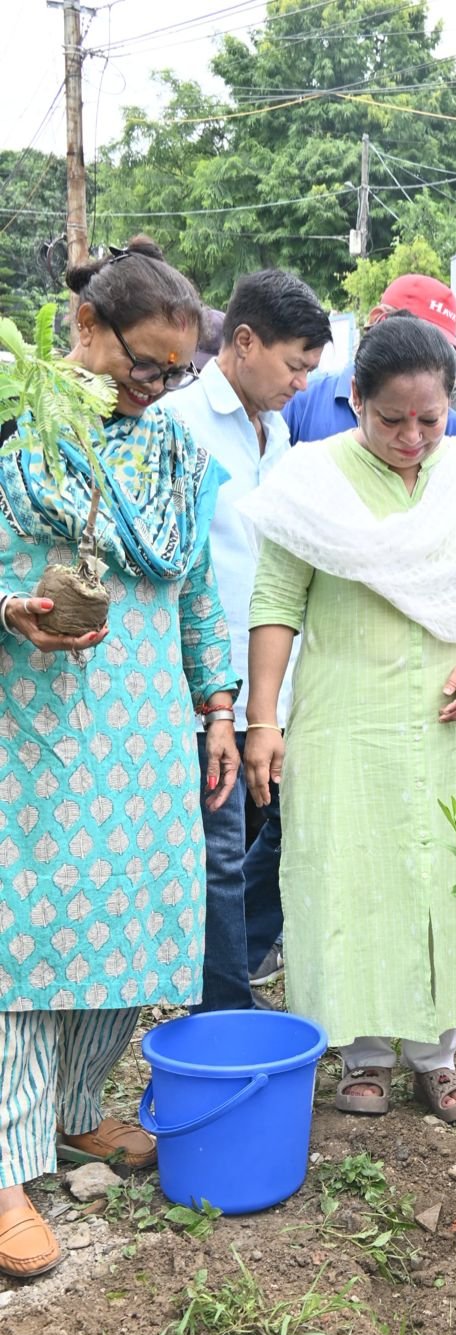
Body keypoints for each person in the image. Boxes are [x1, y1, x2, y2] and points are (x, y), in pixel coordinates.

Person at [0, 238, 239, 1278]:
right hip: (32, 726)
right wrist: (6, 607)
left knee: (129, 919)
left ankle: (73, 1110)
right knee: (23, 935)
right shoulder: (17, 433)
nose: (158, 387)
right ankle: (2, 1168)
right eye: (145, 364)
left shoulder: (176, 457)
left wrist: (217, 706)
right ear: (86, 327)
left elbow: (196, 589)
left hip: (143, 734)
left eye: (178, 372)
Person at [241, 314, 456, 1120]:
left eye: (429, 420)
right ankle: (363, 1051)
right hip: (344, 718)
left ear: (450, 409)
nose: (411, 438)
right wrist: (263, 720)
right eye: (391, 420)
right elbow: (275, 603)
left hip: (447, 720)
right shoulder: (310, 480)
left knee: (443, 872)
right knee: (350, 874)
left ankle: (437, 1053)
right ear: (355, 399)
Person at [164, 270, 330, 1010]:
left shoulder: (280, 433)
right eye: (294, 364)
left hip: (277, 683)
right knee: (223, 851)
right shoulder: (178, 425)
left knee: (295, 828)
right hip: (210, 685)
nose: (301, 383)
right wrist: (212, 696)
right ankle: (224, 1009)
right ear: (243, 341)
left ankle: (241, 963)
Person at [284, 274, 456, 446]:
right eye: (390, 419)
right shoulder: (301, 402)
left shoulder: (452, 430)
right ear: (377, 319)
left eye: (440, 347)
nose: (411, 437)